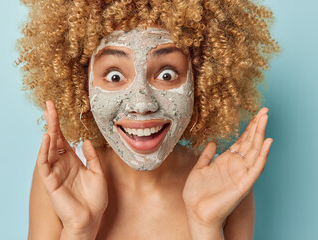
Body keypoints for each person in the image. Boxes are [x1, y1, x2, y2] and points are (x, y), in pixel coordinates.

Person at [16, 0, 279, 239]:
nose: (142, 104)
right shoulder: (61, 180)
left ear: (201, 79)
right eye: (115, 76)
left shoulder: (227, 183)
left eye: (166, 74)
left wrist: (206, 225)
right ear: (82, 83)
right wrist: (78, 229)